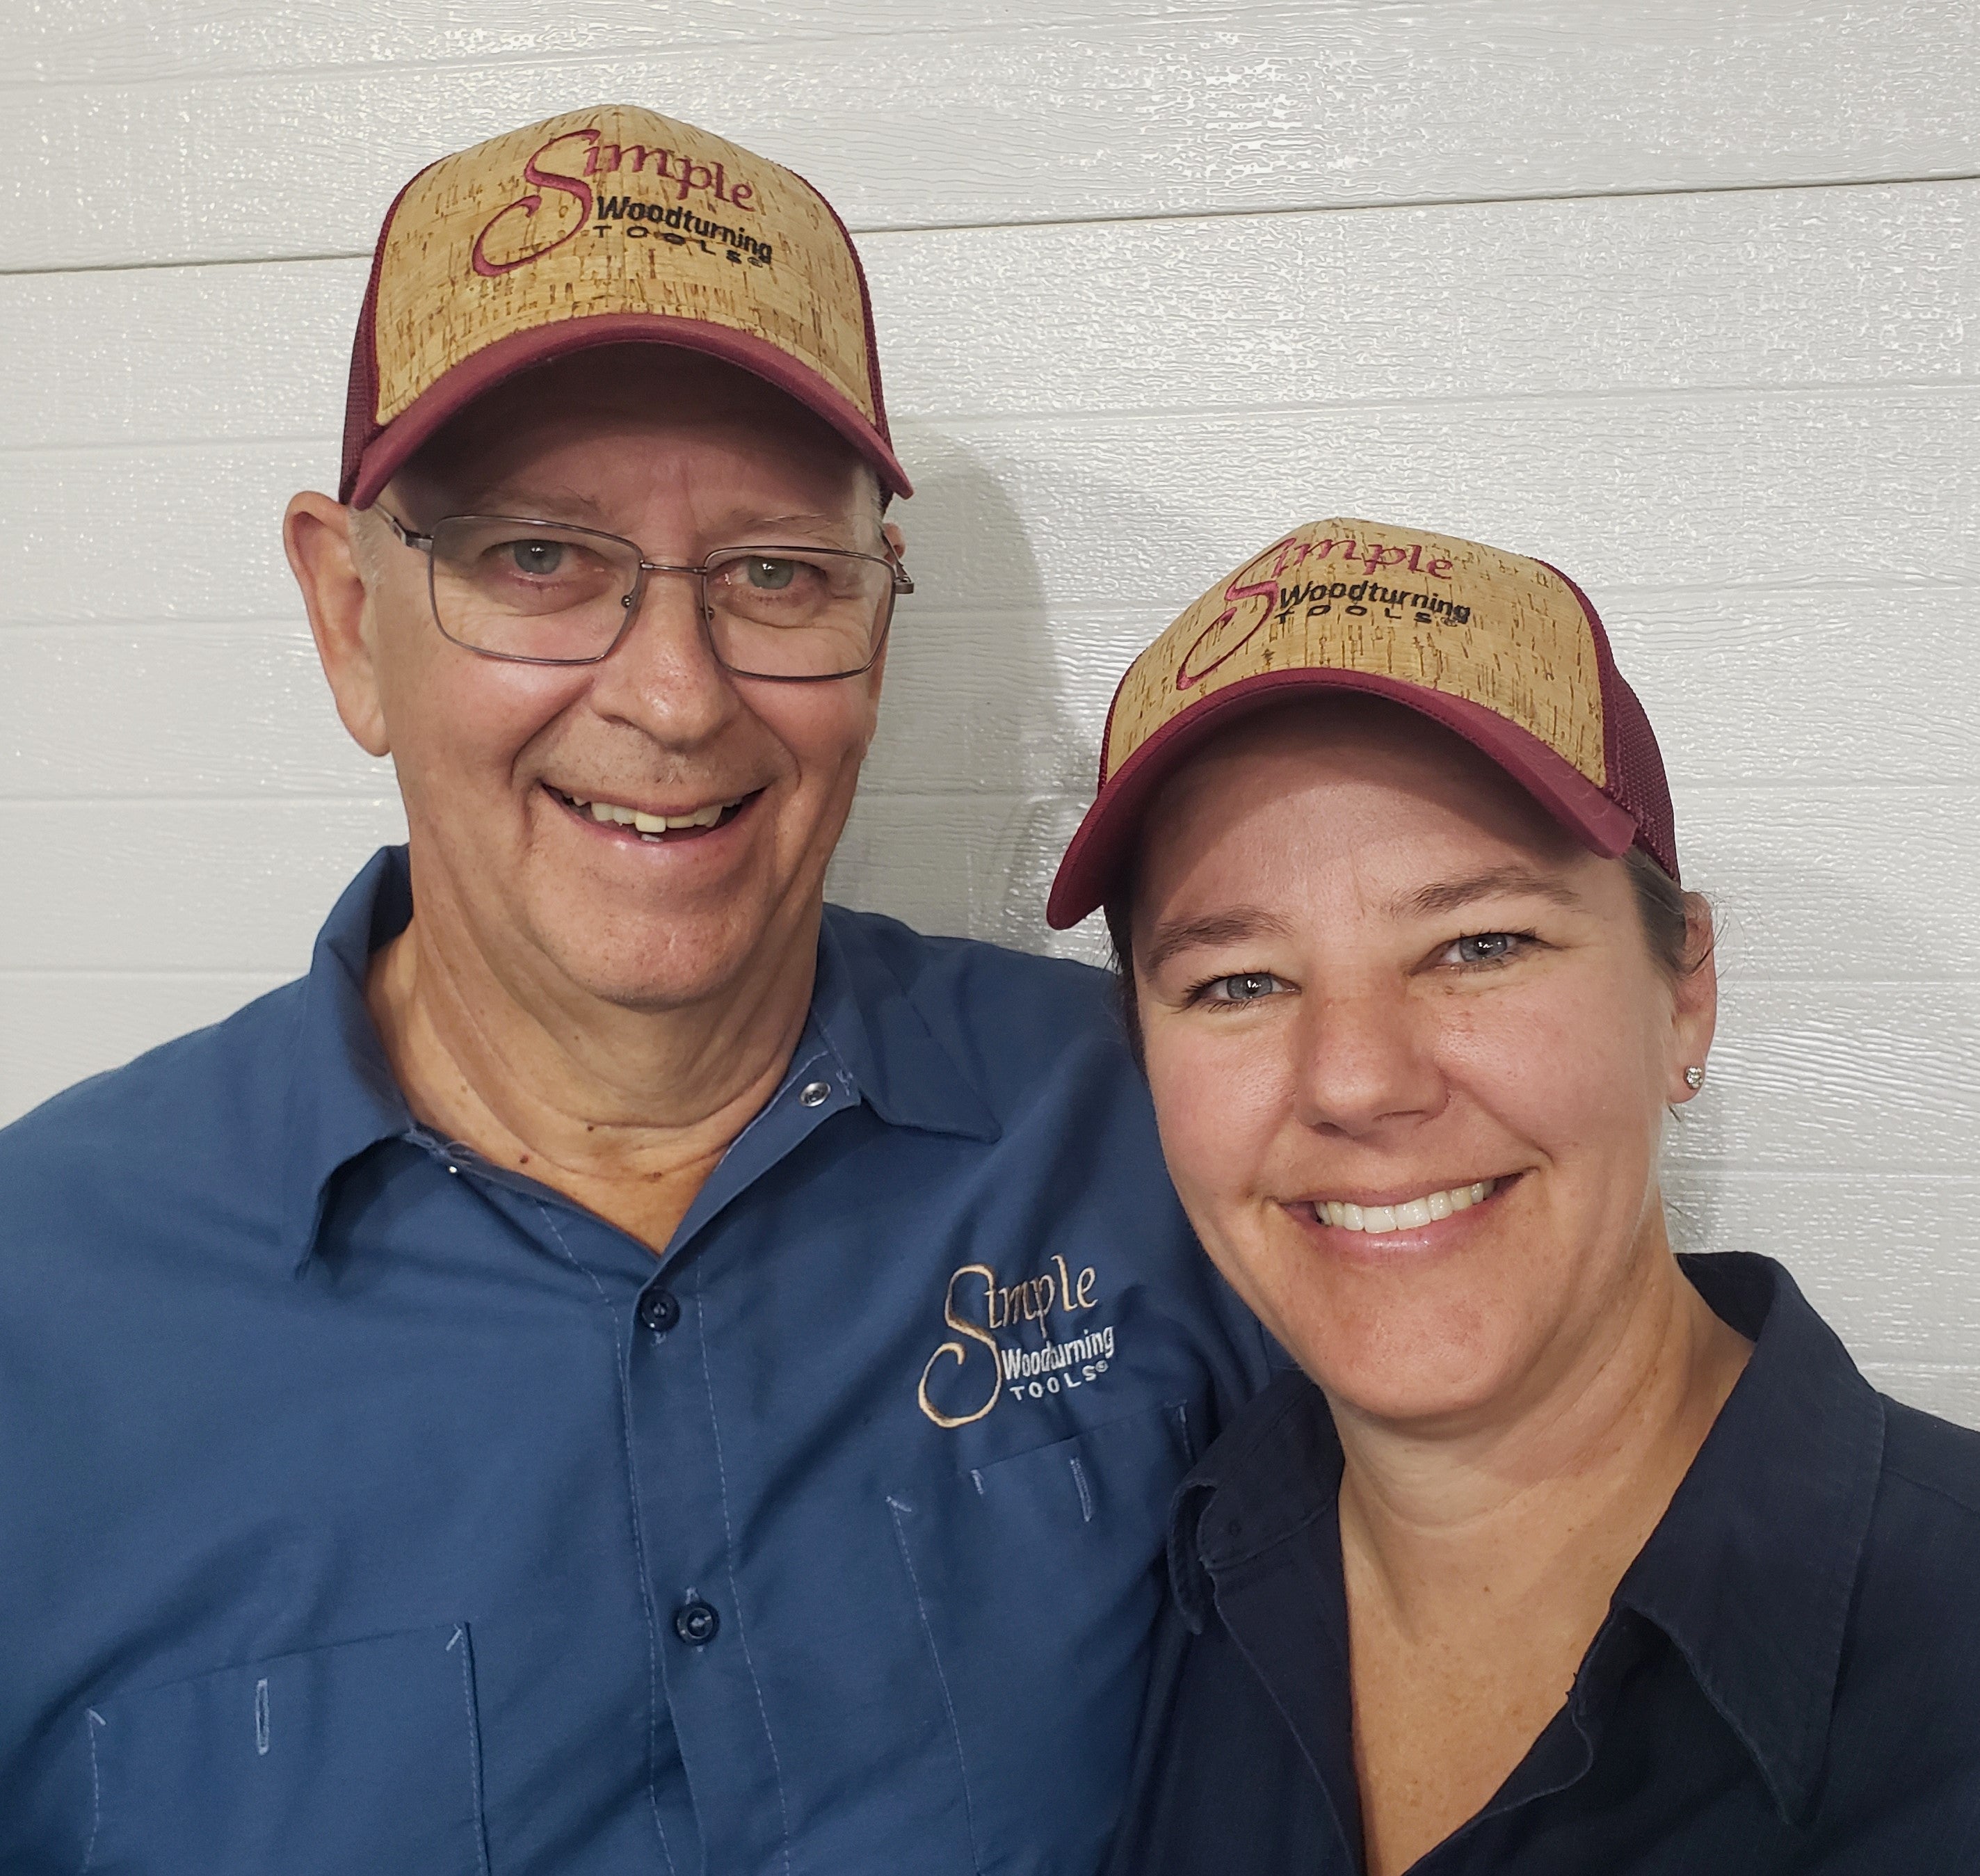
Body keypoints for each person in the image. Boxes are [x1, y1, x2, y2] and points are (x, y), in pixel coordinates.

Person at [0, 106, 1273, 1873]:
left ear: (877, 629)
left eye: (774, 571)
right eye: (537, 558)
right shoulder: (41, 1302)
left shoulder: (1141, 1122)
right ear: (347, 618)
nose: (675, 697)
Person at [1044, 517, 1980, 1873]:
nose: (1356, 1079)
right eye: (1235, 980)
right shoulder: (1166, 1584)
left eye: (1477, 943)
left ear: (1682, 991)